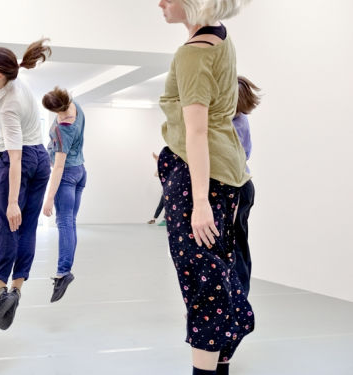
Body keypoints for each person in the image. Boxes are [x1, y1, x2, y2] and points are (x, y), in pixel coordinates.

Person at [156, 1, 254, 374]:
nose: (161, 3)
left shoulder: (194, 54)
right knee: (217, 273)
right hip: (221, 170)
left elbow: (197, 131)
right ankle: (223, 353)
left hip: (204, 175)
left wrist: (199, 202)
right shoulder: (218, 36)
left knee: (203, 280)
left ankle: (210, 362)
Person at [0, 40, 52, 330]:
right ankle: (16, 291)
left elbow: (16, 154)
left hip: (18, 161)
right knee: (28, 227)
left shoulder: (8, 104)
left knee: (9, 225)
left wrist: (11, 202)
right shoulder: (19, 83)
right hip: (42, 161)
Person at [41, 87, 86, 303]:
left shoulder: (63, 130)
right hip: (80, 171)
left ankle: (63, 272)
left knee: (65, 223)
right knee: (71, 222)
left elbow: (58, 167)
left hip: (67, 175)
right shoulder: (75, 105)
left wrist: (49, 198)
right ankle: (66, 269)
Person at [231, 76, 261, 297]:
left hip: (236, 187)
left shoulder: (228, 122)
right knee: (238, 242)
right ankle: (237, 295)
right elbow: (247, 153)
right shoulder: (241, 119)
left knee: (233, 244)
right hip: (243, 185)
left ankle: (237, 296)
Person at [148, 152, 166, 224]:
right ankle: (154, 219)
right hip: (165, 192)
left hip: (171, 192)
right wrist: (157, 162)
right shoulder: (163, 173)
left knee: (168, 206)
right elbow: (156, 174)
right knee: (160, 205)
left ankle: (165, 219)